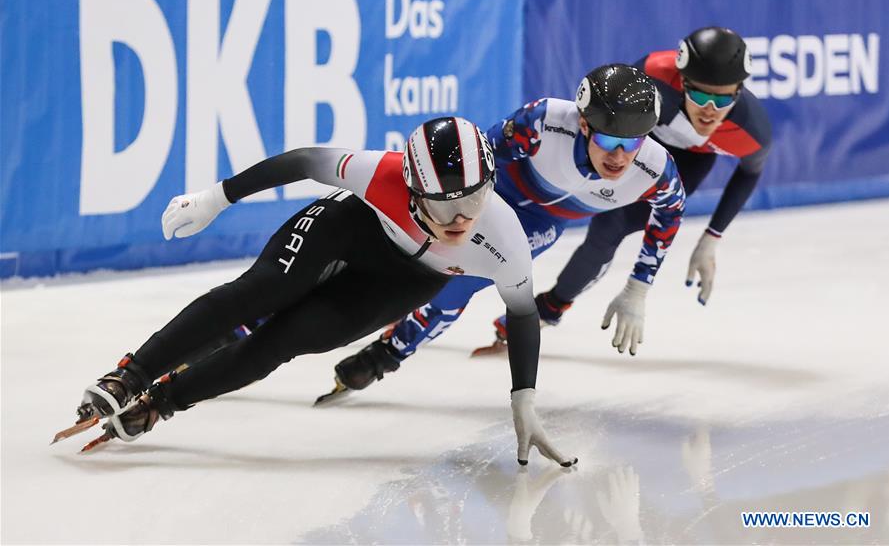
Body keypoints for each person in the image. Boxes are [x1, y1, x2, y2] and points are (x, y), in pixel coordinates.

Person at [58, 116, 576, 467]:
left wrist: (524, 398)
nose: (461, 219)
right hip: (354, 227)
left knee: (287, 339)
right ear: (414, 187)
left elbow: (523, 314)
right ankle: (129, 376)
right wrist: (218, 197)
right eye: (443, 206)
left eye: (476, 199)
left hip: (408, 280)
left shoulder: (503, 236)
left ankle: (160, 403)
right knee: (261, 292)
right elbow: (304, 161)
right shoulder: (382, 174)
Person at [329, 64, 686, 398]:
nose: (620, 156)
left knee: (459, 280)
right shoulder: (544, 121)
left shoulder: (656, 170)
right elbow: (476, 159)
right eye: (609, 141)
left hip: (538, 224)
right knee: (404, 247)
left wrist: (639, 285)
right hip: (491, 198)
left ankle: (386, 354)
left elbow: (670, 215)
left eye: (634, 142)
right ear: (584, 125)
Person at [537, 27, 772, 322]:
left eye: (723, 100)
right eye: (699, 95)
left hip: (687, 164)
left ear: (739, 92)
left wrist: (711, 237)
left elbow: (749, 174)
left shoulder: (753, 131)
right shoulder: (653, 74)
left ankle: (548, 309)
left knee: (610, 227)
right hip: (638, 142)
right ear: (682, 81)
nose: (710, 111)